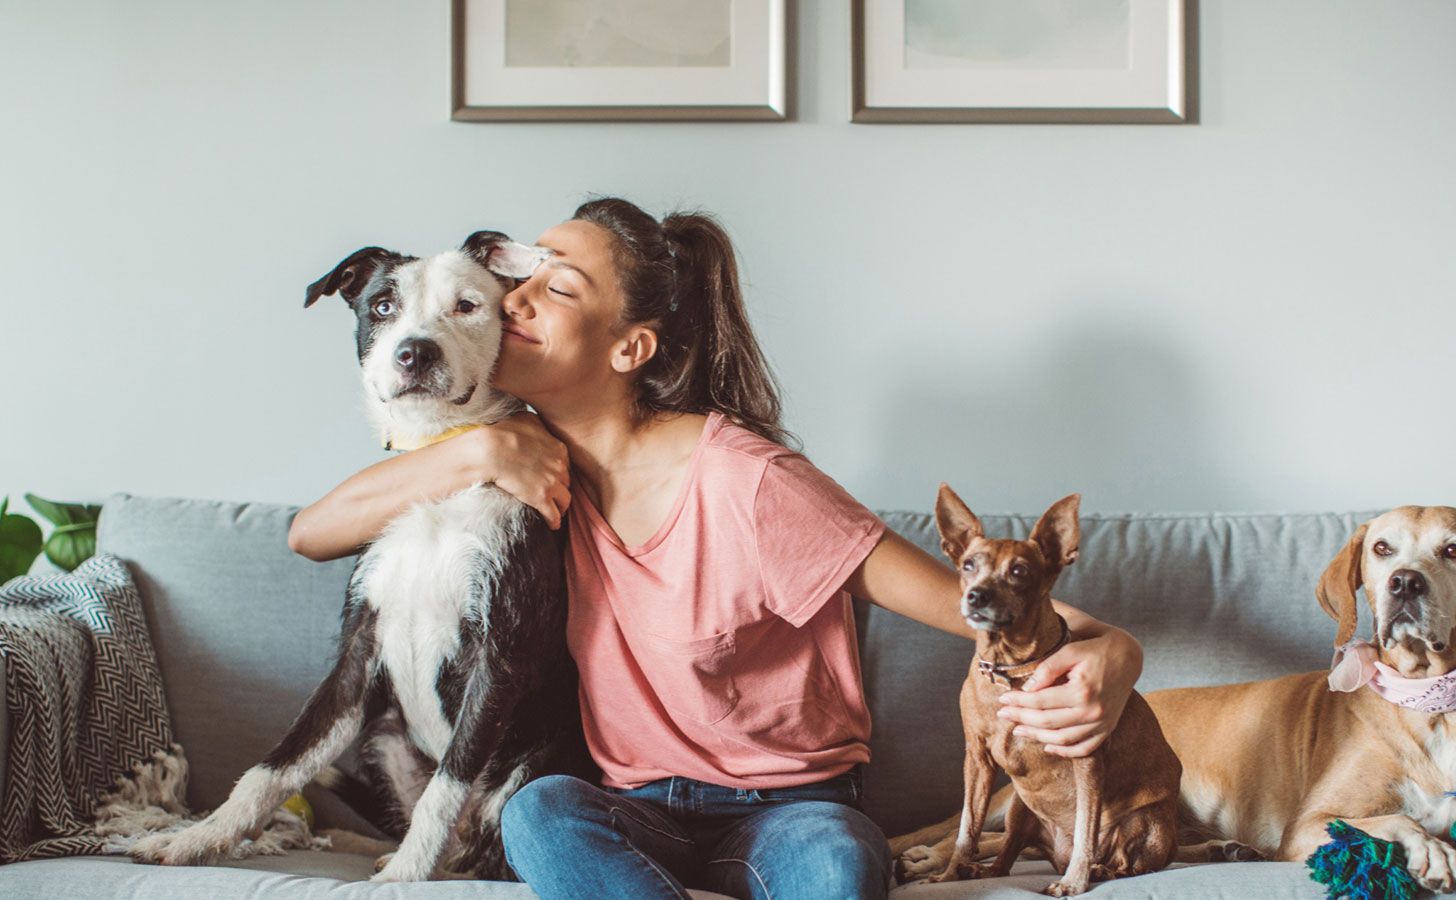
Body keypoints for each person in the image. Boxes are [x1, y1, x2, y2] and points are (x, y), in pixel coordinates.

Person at [287, 198, 1145, 900]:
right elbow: (311, 533)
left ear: (630, 348)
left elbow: (982, 608)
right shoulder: (517, 461)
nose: (514, 299)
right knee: (538, 814)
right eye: (521, 276)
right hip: (630, 810)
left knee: (840, 868)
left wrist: (1118, 649)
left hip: (790, 809)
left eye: (557, 288)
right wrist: (473, 451)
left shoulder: (749, 481)